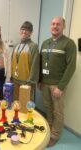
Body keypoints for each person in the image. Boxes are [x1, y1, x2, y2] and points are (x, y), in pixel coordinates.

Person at [39, 17, 77, 147]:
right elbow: (40, 63)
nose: (55, 26)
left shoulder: (69, 43)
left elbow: (71, 66)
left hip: (57, 85)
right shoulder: (45, 43)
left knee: (58, 111)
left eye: (58, 24)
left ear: (63, 27)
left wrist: (60, 87)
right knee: (48, 108)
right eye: (53, 23)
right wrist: (40, 80)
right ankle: (49, 128)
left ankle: (55, 135)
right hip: (44, 83)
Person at [11, 21, 39, 101]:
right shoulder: (16, 45)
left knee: (25, 107)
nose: (24, 32)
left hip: (26, 83)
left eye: (27, 30)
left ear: (31, 33)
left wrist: (30, 83)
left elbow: (35, 66)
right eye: (22, 29)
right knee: (16, 104)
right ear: (20, 31)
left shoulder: (33, 46)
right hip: (15, 81)